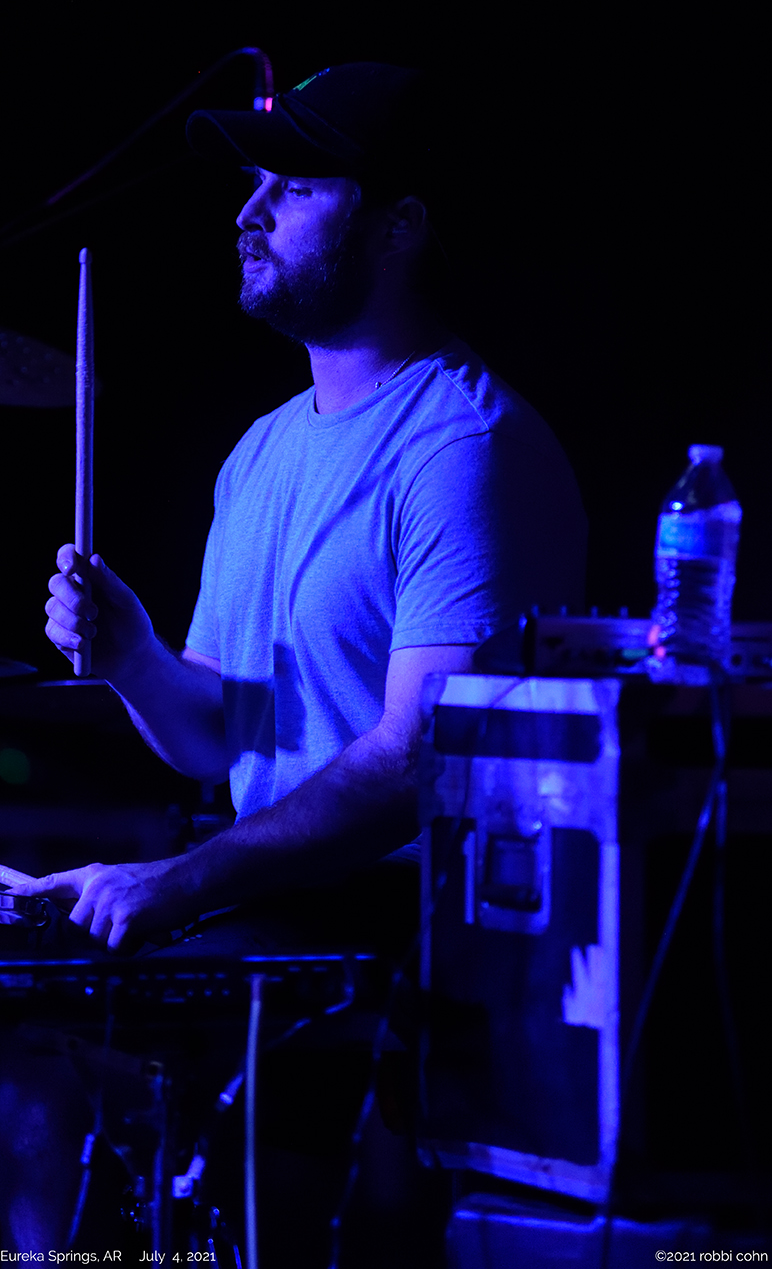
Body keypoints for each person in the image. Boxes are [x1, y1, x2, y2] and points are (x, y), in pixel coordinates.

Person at [35, 61, 587, 950]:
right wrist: (134, 660)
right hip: (279, 912)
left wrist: (182, 880)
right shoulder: (259, 454)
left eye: (292, 188)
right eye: (254, 183)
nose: (248, 214)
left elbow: (417, 759)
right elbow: (231, 737)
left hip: (414, 940)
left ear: (398, 226)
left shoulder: (464, 450)